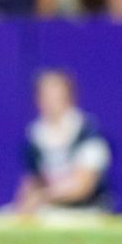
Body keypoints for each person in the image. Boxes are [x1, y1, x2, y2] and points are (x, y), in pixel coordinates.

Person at [12, 70, 112, 215]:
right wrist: (21, 208)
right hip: (48, 210)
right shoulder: (35, 134)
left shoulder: (88, 133)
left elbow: (83, 186)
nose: (50, 102)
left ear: (69, 97)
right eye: (45, 96)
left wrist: (43, 196)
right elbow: (32, 181)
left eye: (56, 96)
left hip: (87, 211)